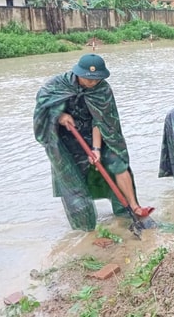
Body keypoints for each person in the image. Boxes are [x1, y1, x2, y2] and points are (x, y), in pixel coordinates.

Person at [33, 54, 154, 231]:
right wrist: (59, 116)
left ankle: (133, 208)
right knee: (74, 183)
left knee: (118, 163)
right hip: (66, 142)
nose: (92, 83)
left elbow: (102, 120)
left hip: (97, 137)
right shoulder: (56, 86)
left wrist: (96, 149)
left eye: (97, 79)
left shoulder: (102, 90)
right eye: (89, 79)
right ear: (78, 73)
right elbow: (42, 111)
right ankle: (86, 229)